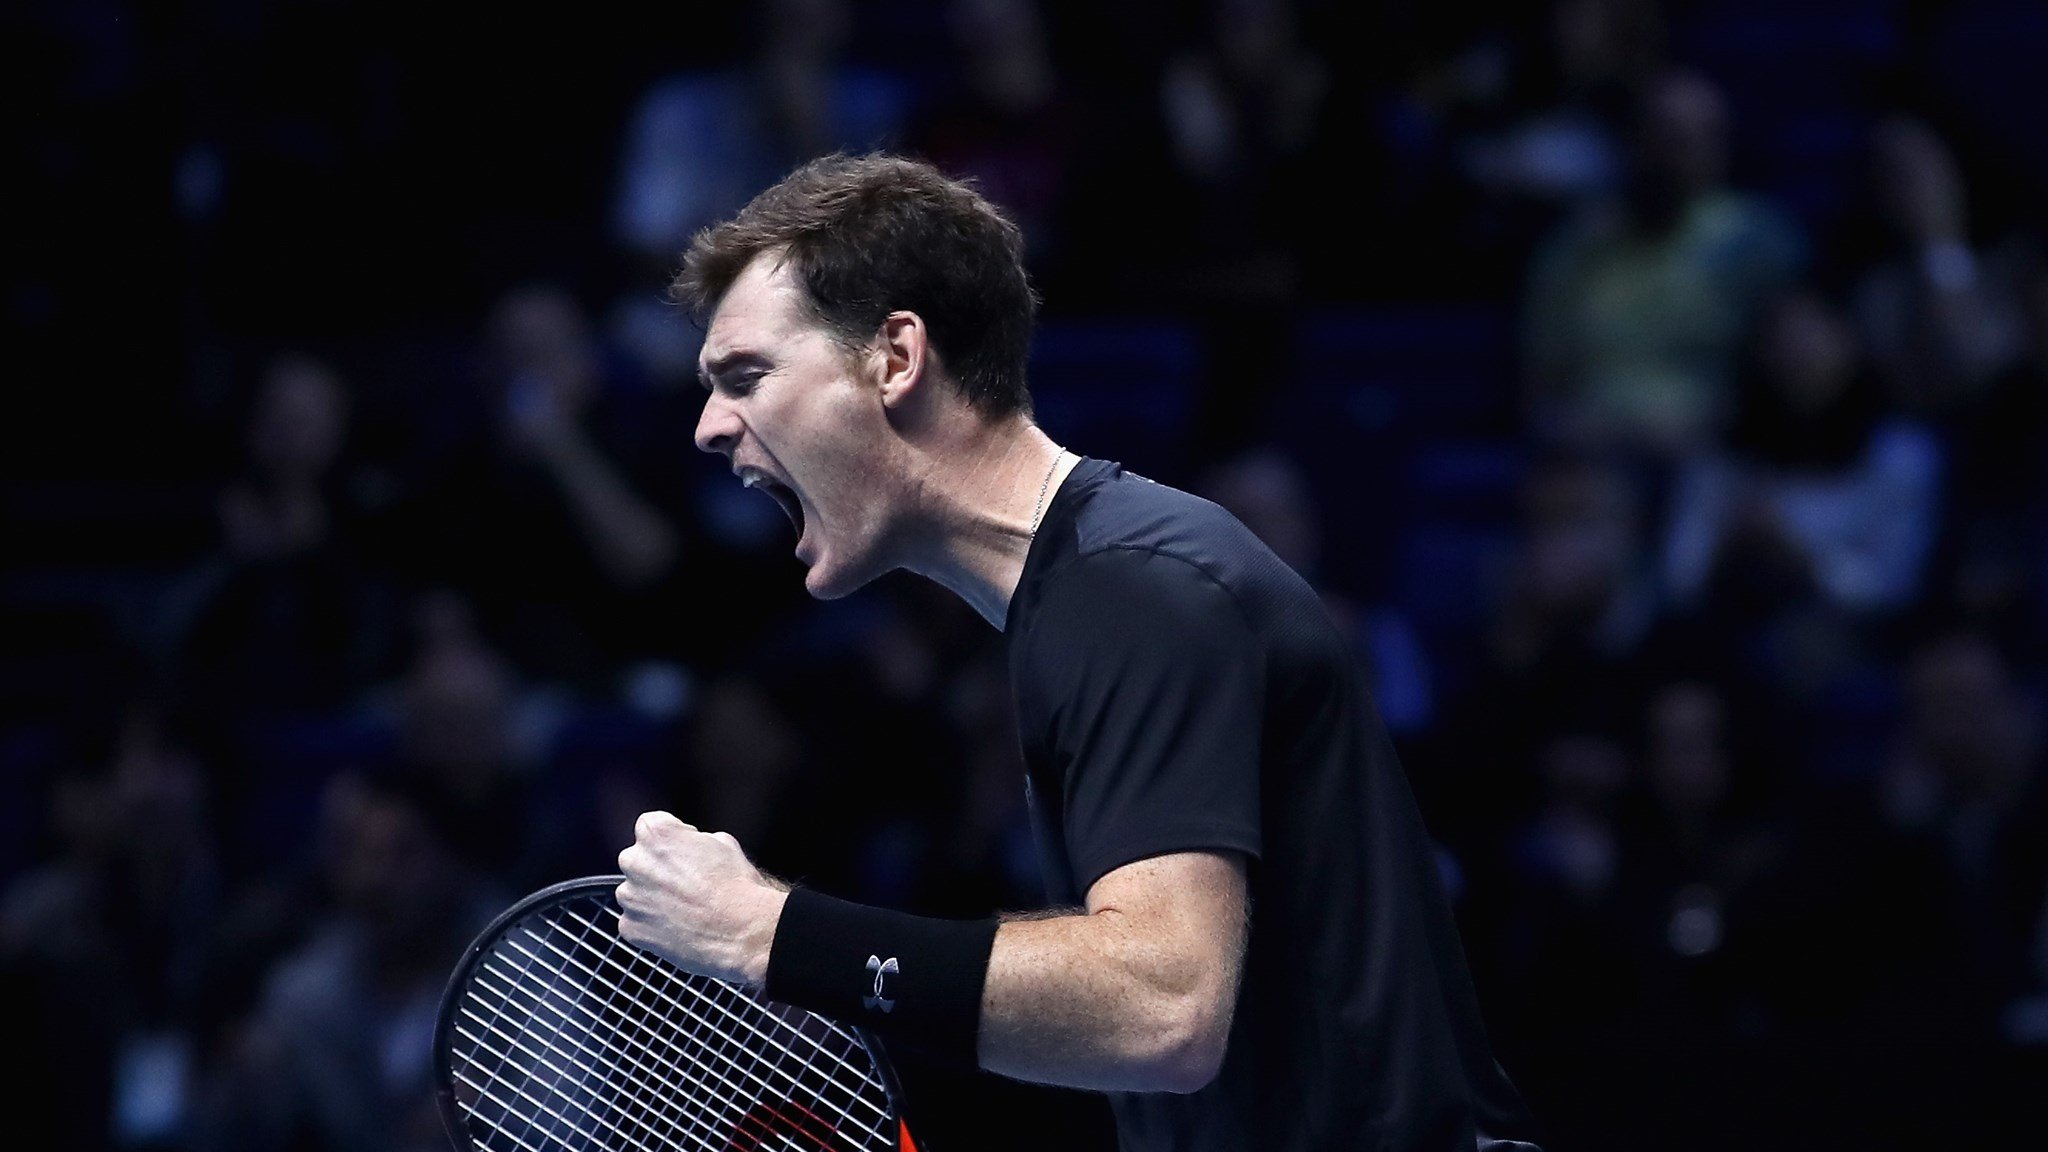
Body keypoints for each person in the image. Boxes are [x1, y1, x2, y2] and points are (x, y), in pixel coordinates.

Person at [611, 152, 1544, 1150]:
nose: (709, 428)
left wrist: (772, 934)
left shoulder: (1128, 586)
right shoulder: (1091, 589)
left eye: (746, 376)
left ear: (894, 358)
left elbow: (1160, 1008)